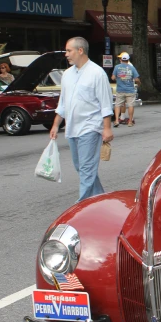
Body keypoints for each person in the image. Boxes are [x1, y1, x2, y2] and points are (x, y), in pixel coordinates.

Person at [50, 37, 114, 202]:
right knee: (83, 168)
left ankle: (82, 207)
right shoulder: (67, 75)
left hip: (90, 128)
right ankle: (101, 200)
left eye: (69, 51)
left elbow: (105, 103)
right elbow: (63, 102)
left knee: (86, 169)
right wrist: (56, 124)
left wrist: (106, 128)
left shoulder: (97, 73)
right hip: (72, 128)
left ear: (80, 51)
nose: (66, 55)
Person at [111, 53, 140, 127]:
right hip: (130, 90)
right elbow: (136, 79)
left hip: (120, 90)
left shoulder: (117, 67)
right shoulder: (132, 68)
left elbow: (113, 78)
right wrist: (139, 83)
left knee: (117, 105)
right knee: (130, 105)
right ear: (128, 60)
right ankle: (130, 121)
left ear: (121, 59)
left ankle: (117, 120)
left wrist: (118, 78)